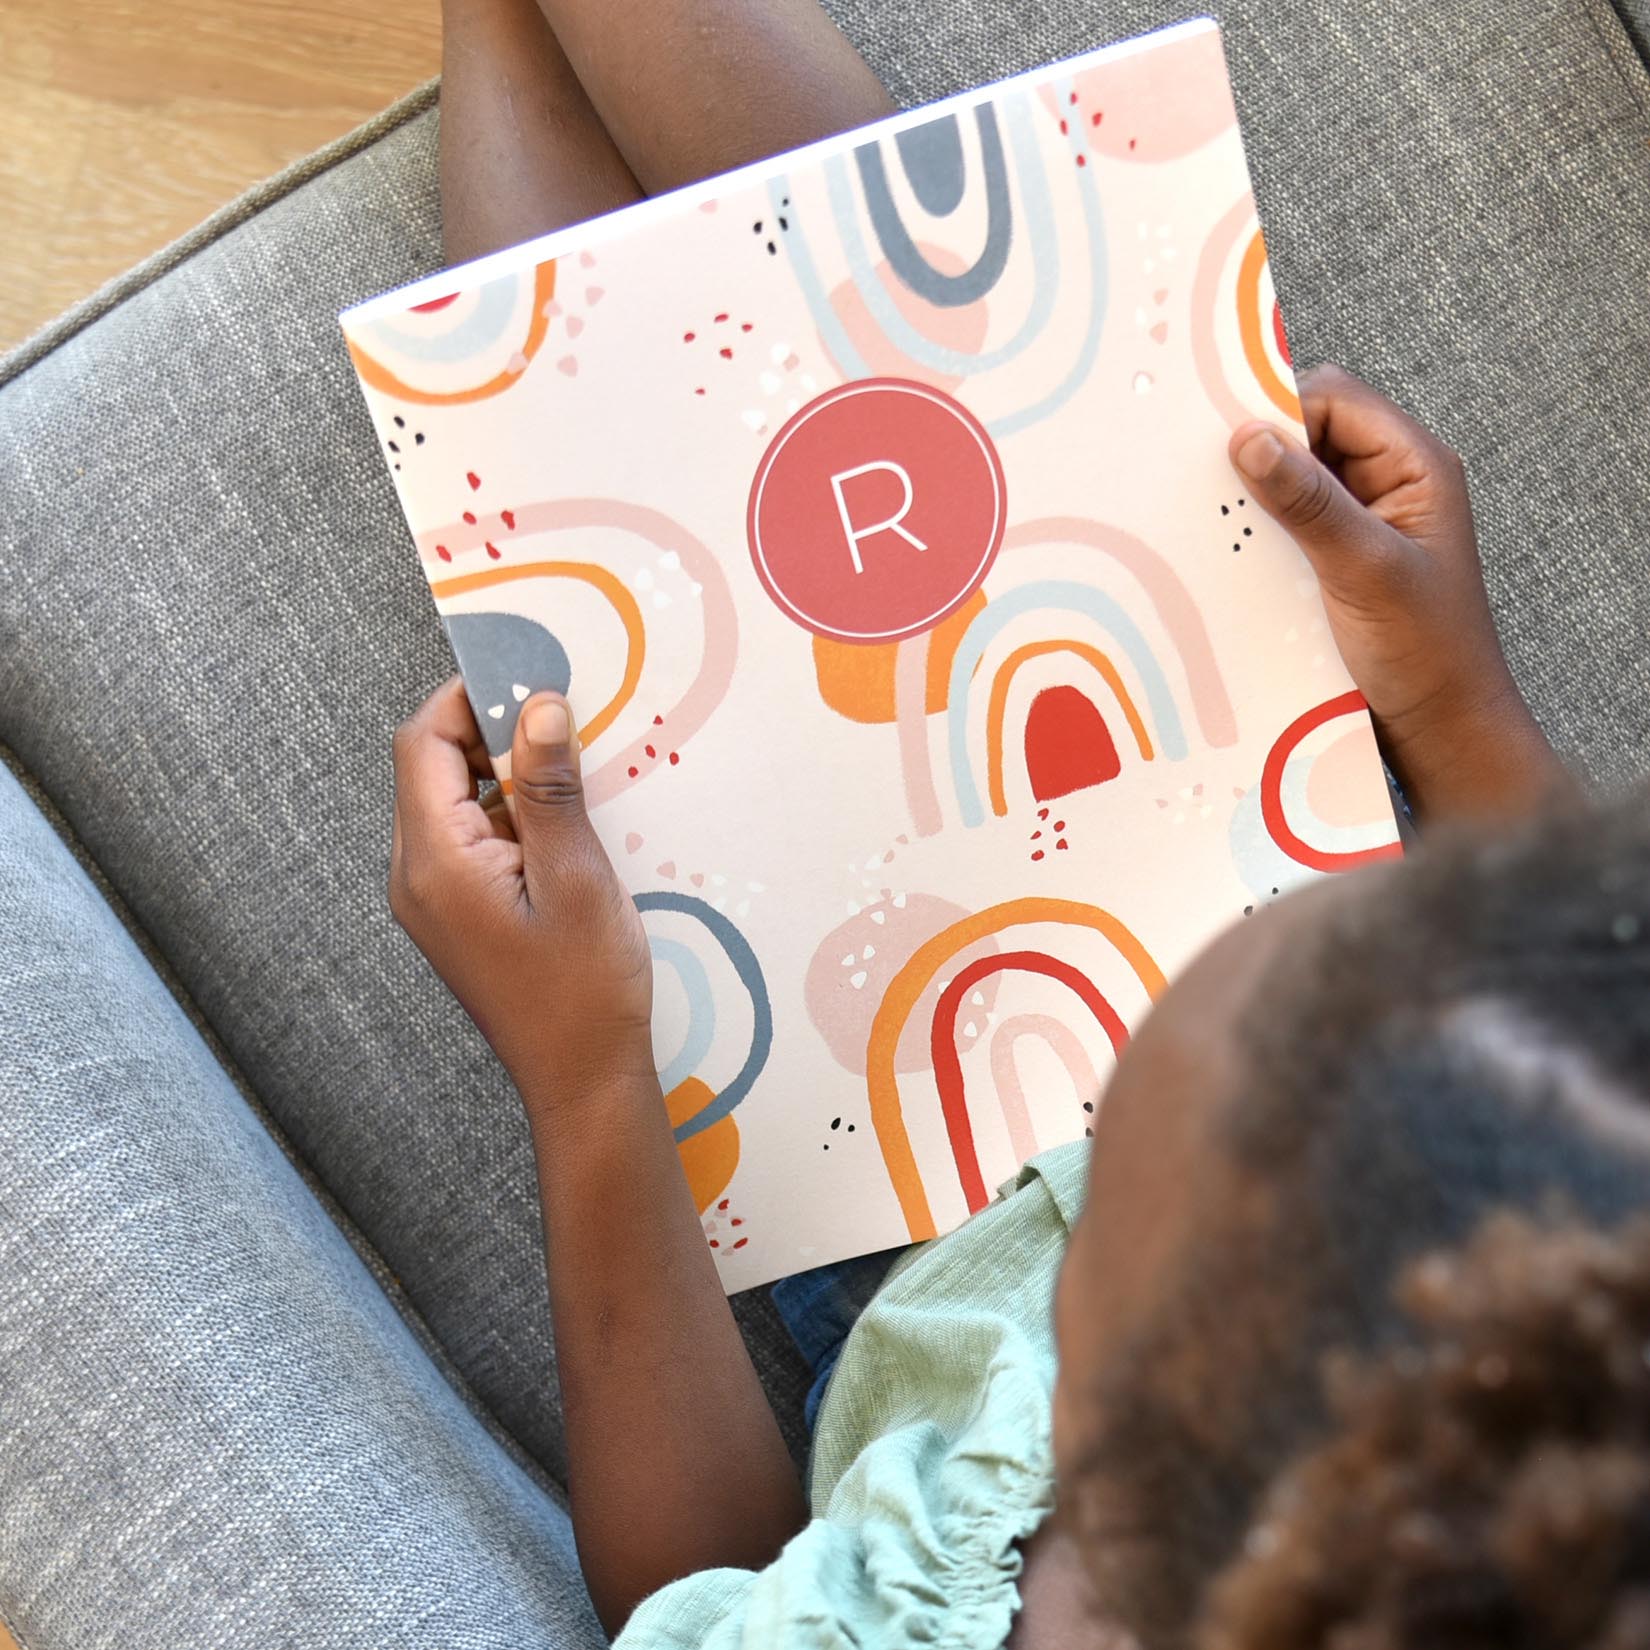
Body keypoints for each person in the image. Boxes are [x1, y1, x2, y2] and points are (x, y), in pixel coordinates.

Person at [380, 3, 1650, 1646]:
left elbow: (698, 1603)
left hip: (864, 1144)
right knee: (942, 369)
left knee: (603, 480)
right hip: (1260, 849)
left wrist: (586, 1080)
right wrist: (1451, 704)